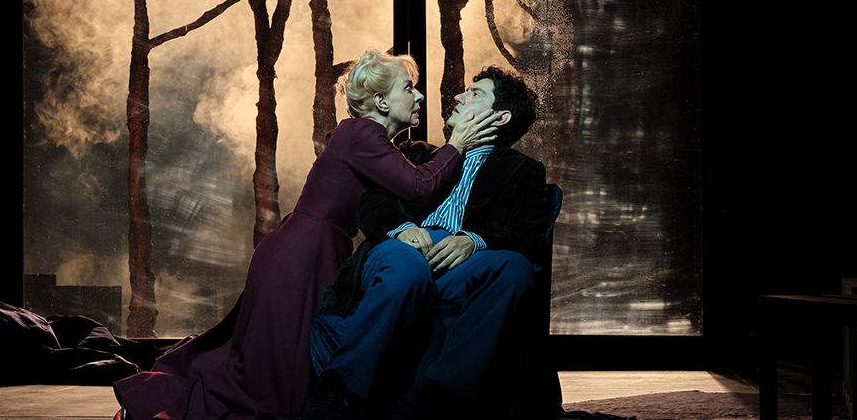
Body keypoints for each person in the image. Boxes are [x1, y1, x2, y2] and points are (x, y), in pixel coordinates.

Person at [111, 49, 499, 420]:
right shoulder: (360, 134)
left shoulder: (374, 143)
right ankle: (150, 405)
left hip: (311, 252)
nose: (419, 96)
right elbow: (419, 186)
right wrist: (457, 144)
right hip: (301, 255)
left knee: (281, 378)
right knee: (270, 387)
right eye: (408, 88)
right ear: (381, 102)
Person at [302, 66, 549, 420]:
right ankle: (338, 389)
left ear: (500, 117)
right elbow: (371, 203)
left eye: (475, 93)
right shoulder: (416, 153)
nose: (460, 96)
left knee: (516, 268)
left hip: (459, 263)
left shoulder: (525, 171)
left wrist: (474, 241)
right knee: (406, 269)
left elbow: (529, 238)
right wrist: (401, 227)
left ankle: (442, 399)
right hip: (402, 249)